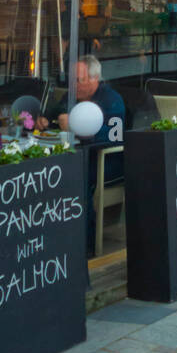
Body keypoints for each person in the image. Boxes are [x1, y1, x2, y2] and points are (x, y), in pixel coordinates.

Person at [38, 56, 125, 255]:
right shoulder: (70, 97)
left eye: (79, 80)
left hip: (106, 160)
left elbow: (114, 136)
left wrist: (79, 129)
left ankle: (84, 246)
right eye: (72, 80)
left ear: (95, 79)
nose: (74, 85)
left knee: (75, 177)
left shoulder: (111, 100)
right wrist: (44, 121)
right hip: (76, 157)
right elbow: (52, 115)